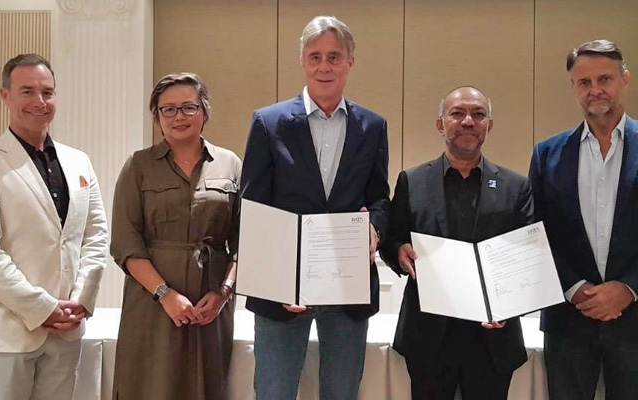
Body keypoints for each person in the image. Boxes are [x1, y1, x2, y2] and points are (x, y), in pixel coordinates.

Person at [240, 15, 390, 400]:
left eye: (334, 57)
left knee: (341, 394)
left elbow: (379, 197)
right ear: (302, 62)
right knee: (274, 393)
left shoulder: (373, 126)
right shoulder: (268, 123)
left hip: (347, 288)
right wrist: (273, 280)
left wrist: (374, 226)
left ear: (350, 63)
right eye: (315, 57)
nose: (325, 66)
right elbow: (252, 208)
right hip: (282, 291)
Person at [381, 86, 533, 400]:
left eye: (478, 115)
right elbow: (391, 237)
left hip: (493, 335)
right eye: (457, 113)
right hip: (429, 334)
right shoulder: (412, 181)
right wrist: (397, 250)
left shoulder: (516, 187)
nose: (468, 121)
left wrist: (510, 305)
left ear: (489, 125)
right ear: (441, 124)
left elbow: (528, 257)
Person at [110, 72, 241, 400]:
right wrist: (165, 294)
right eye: (168, 109)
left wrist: (224, 292)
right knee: (151, 387)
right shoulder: (138, 166)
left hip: (211, 306)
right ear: (156, 116)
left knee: (207, 387)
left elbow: (246, 242)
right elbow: (125, 243)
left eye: (188, 107)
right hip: (151, 303)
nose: (179, 116)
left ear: (204, 111)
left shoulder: (230, 164)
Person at [529, 39, 638, 400]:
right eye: (584, 82)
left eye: (605, 79)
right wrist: (574, 288)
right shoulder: (547, 154)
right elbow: (536, 232)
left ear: (625, 79)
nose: (595, 90)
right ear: (573, 88)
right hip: (568, 321)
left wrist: (629, 288)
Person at [0, 53, 108, 400]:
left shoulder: (79, 161)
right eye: (27, 91)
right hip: (9, 332)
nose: (40, 101)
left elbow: (95, 235)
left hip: (67, 328)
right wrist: (41, 307)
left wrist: (80, 301)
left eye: (47, 92)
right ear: (5, 95)